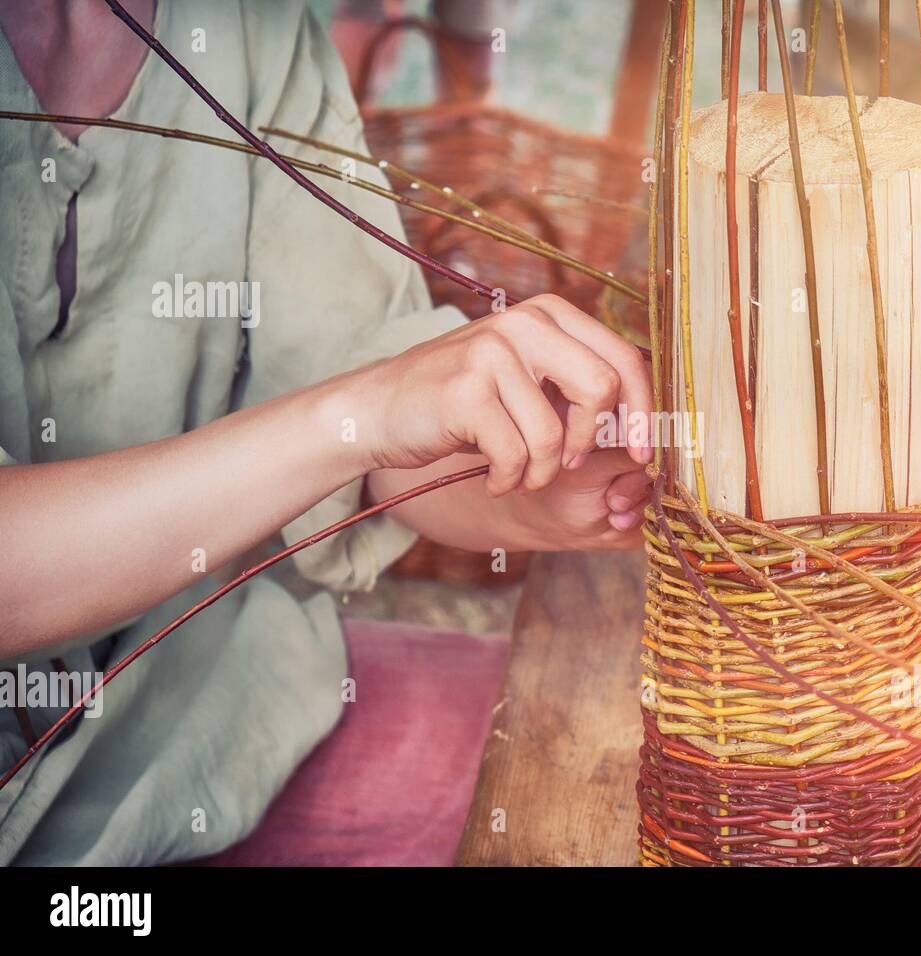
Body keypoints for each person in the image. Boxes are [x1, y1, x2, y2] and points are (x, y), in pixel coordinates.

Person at [0, 0, 652, 865]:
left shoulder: (252, 30)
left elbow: (370, 428)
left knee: (601, 757)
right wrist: (362, 413)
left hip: (197, 710)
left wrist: (534, 480)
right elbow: (360, 414)